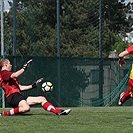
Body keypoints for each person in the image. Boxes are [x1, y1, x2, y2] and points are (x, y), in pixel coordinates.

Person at [0, 58, 71, 116]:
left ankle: (58, 112)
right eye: (10, 63)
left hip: (17, 96)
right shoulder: (3, 73)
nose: (11, 65)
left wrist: (33, 85)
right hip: (13, 97)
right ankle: (4, 114)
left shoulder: (8, 75)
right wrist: (24, 68)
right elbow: (15, 75)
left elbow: (20, 88)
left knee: (42, 99)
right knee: (26, 108)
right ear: (5, 65)